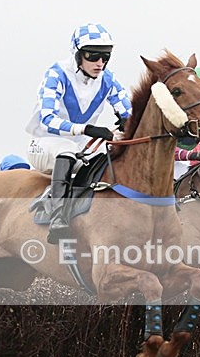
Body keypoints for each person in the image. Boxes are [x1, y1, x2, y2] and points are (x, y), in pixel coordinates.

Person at [24, 23, 133, 243]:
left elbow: (127, 110)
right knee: (66, 150)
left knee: (112, 156)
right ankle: (58, 218)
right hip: (45, 142)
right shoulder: (56, 74)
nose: (100, 63)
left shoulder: (108, 79)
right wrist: (86, 128)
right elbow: (47, 119)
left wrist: (126, 121)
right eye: (93, 56)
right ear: (77, 54)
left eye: (105, 56)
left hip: (81, 147)